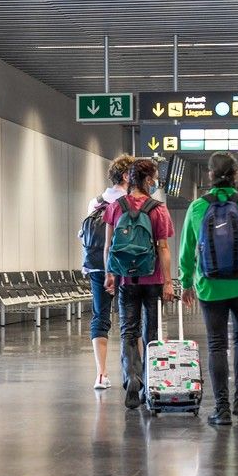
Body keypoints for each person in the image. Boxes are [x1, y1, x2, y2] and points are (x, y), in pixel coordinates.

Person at [179, 152, 238, 425]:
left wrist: (185, 283)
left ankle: (221, 409)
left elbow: (186, 252)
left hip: (210, 286)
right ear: (236, 175)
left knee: (217, 344)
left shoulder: (197, 207)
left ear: (209, 175)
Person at [103, 159, 174, 410]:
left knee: (128, 331)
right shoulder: (158, 209)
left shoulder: (115, 207)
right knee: (151, 334)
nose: (155, 182)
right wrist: (168, 282)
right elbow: (163, 248)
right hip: (152, 278)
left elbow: (109, 246)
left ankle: (131, 378)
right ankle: (148, 382)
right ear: (146, 180)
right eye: (154, 178)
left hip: (125, 278)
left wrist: (110, 274)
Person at [81, 154, 135, 390]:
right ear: (126, 176)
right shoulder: (132, 203)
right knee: (130, 319)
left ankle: (101, 374)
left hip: (97, 267)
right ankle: (134, 371)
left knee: (100, 316)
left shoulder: (95, 202)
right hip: (127, 266)